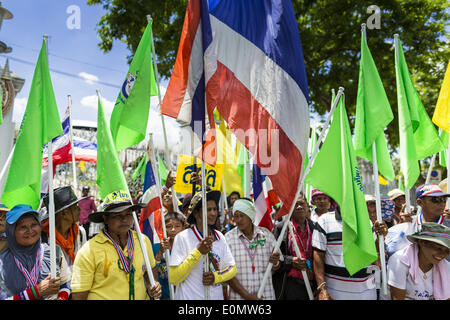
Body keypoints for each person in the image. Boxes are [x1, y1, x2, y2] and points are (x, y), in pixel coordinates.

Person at [70, 190, 162, 300]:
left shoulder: (143, 241)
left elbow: (150, 271)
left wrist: (153, 285)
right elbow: (79, 295)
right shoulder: (89, 250)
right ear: (105, 219)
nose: (124, 219)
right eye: (117, 215)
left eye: (128, 214)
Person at [312, 202, 388, 300]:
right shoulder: (324, 221)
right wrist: (322, 289)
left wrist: (380, 238)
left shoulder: (366, 222)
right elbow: (318, 255)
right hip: (335, 294)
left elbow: (375, 257)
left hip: (367, 293)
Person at [169, 190, 236, 300]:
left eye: (215, 209)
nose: (213, 213)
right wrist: (198, 252)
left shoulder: (220, 237)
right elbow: (174, 278)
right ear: (196, 213)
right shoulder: (182, 238)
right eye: (208, 209)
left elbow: (232, 268)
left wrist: (216, 277)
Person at [0, 205, 70, 300]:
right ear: (12, 232)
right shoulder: (2, 263)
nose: (30, 231)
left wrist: (62, 297)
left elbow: (65, 283)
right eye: (22, 227)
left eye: (34, 225)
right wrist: (36, 292)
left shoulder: (53, 252)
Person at [225, 198, 281, 300]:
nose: (238, 220)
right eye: (236, 216)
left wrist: (275, 262)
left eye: (242, 216)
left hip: (266, 296)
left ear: (250, 216)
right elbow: (227, 275)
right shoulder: (228, 239)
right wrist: (247, 296)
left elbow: (276, 266)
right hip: (239, 298)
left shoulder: (267, 236)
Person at [385, 184, 450, 260]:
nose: (442, 204)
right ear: (420, 202)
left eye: (443, 199)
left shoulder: (448, 225)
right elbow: (392, 251)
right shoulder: (408, 224)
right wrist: (402, 227)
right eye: (435, 200)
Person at [387, 222, 450, 300]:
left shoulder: (446, 267)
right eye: (438, 248)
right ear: (422, 242)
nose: (442, 254)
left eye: (447, 251)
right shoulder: (400, 261)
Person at [272, 193, 316, 300]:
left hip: (313, 284)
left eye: (302, 204)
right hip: (289, 285)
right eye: (295, 204)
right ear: (290, 208)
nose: (299, 207)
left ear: (307, 206)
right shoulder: (281, 229)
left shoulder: (315, 227)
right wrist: (291, 261)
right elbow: (274, 257)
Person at [41, 186, 87, 268]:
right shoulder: (44, 238)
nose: (79, 209)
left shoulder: (80, 233)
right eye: (75, 206)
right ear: (64, 213)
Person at [154, 212, 186, 299]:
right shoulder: (156, 248)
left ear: (183, 228)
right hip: (164, 296)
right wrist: (160, 252)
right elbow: (152, 275)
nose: (173, 230)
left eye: (177, 226)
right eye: (169, 226)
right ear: (163, 228)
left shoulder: (188, 248)